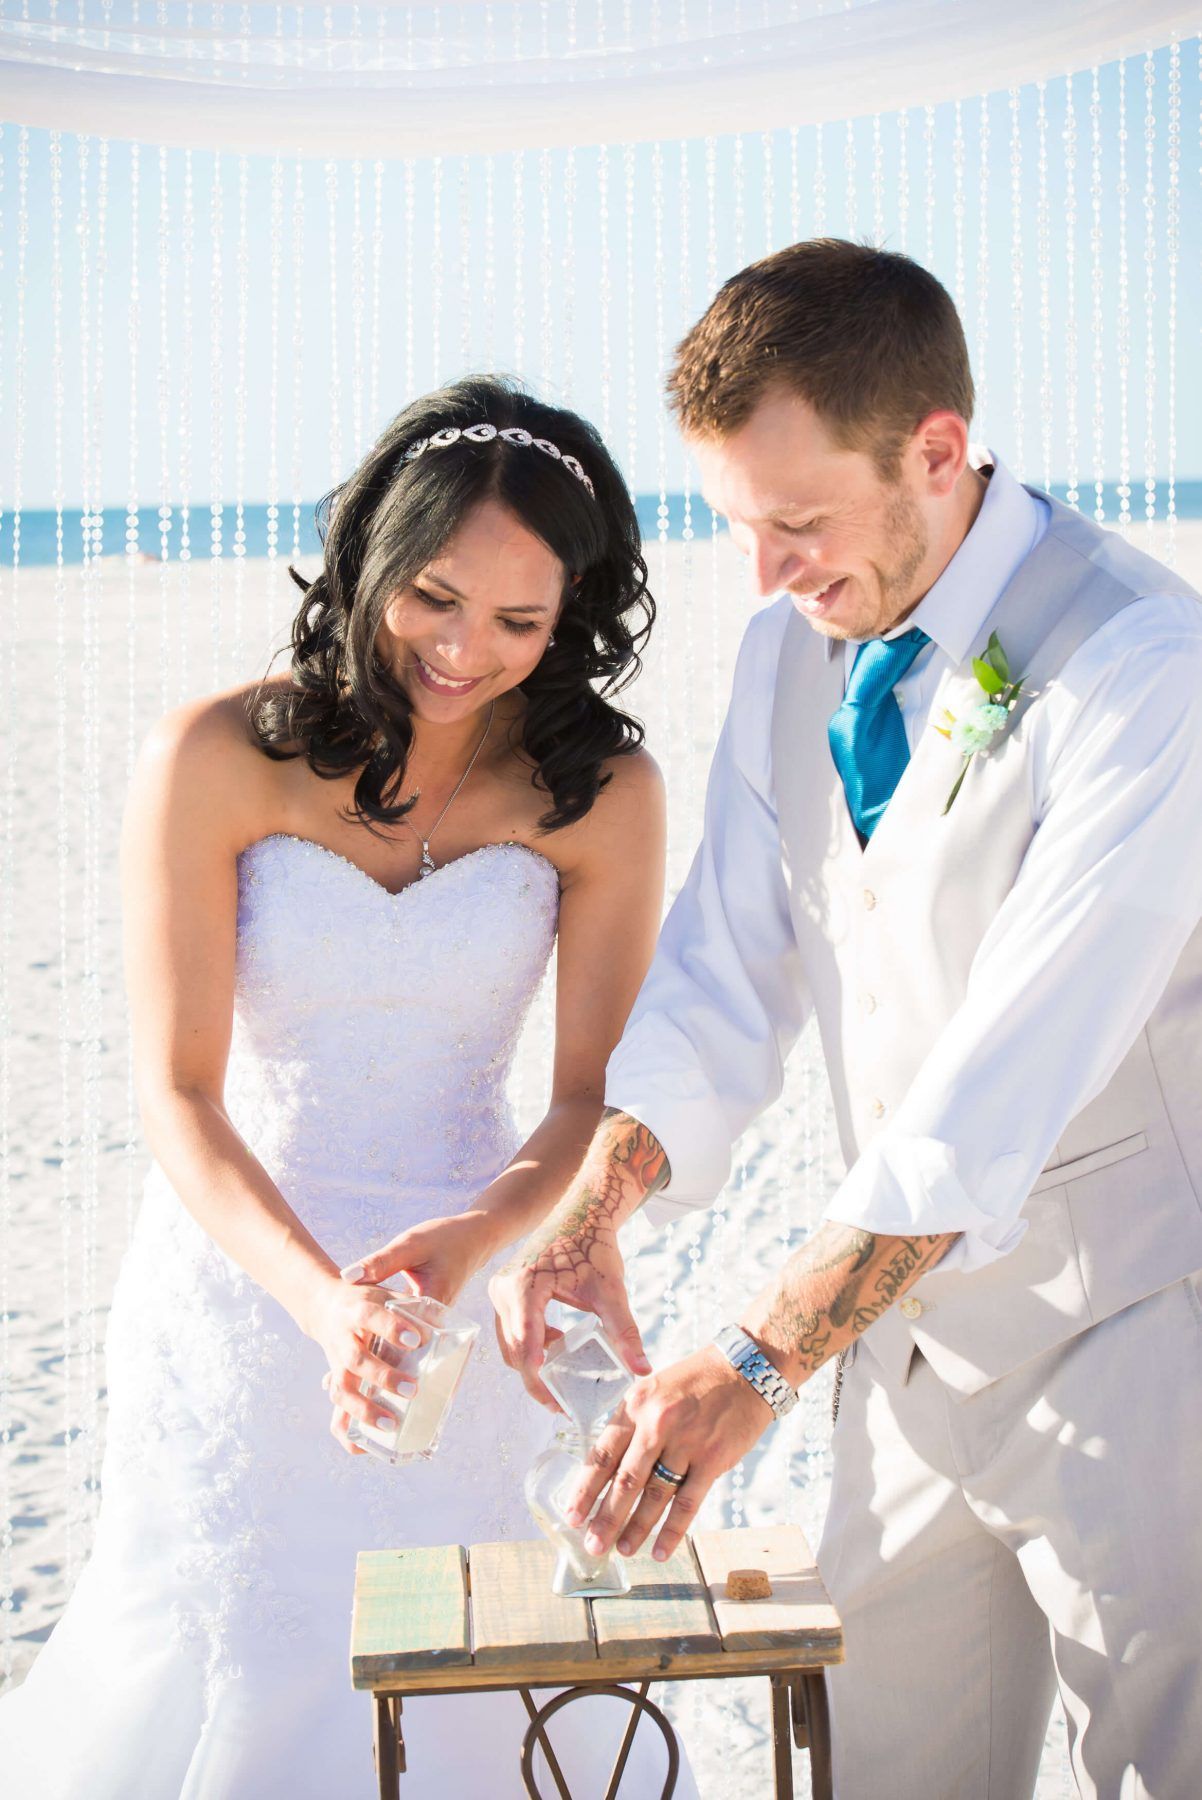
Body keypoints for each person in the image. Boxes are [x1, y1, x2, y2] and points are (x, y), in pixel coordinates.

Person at [491, 241, 1202, 1798]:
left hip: (1140, 1344)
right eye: (737, 527)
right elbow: (724, 974)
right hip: (895, 1355)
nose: (764, 573)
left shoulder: (1146, 669)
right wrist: (593, 1205)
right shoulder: (783, 655)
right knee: (886, 1768)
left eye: (796, 523)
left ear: (937, 453)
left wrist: (749, 1364)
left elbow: (995, 1095)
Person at [0, 375, 685, 1797]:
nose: (464, 651)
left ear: (572, 620)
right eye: (434, 597)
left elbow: (582, 1103)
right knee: (244, 1660)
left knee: (465, 1684)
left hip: (476, 1289)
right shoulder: (214, 754)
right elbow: (179, 1093)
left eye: (518, 623)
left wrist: (480, 1239)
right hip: (243, 1295)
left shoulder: (602, 790)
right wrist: (321, 1302)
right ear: (372, 557)